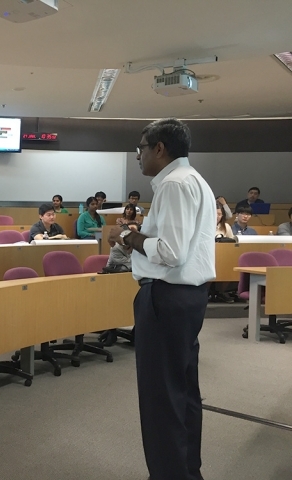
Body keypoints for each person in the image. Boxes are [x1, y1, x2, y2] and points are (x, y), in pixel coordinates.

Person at [107, 118, 215, 480]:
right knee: (182, 394)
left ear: (159, 148)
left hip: (165, 299)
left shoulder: (173, 184)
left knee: (160, 400)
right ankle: (186, 472)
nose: (137, 155)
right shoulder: (194, 180)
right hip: (186, 298)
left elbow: (170, 252)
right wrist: (139, 237)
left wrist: (127, 237)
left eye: (140, 148)